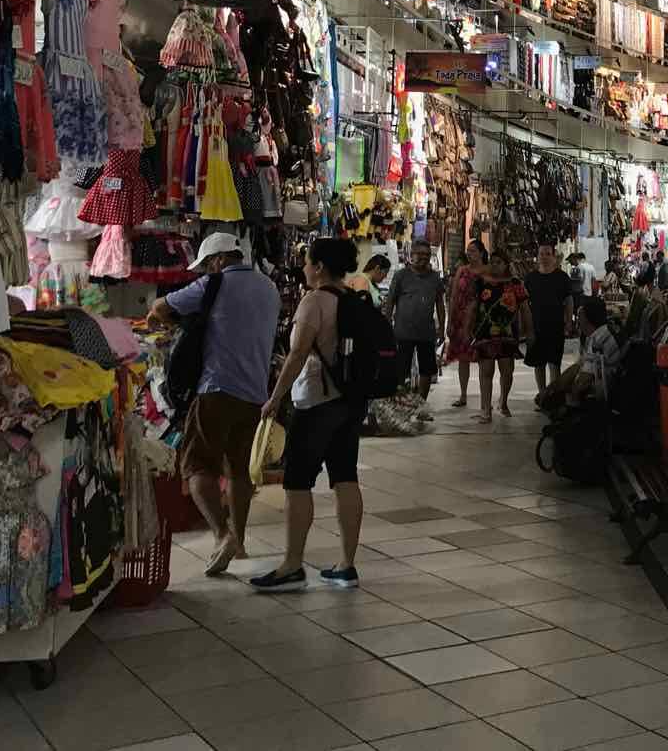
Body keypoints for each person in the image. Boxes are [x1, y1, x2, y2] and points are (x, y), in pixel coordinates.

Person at [146, 231, 280, 576]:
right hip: (255, 393)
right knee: (238, 469)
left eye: (206, 266)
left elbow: (160, 308)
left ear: (218, 260)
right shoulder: (269, 288)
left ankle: (222, 535)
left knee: (195, 466)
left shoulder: (213, 284)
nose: (205, 272)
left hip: (215, 388)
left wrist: (173, 323)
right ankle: (240, 539)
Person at [251, 239, 367, 592]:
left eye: (306, 262)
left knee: (297, 482)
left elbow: (298, 354)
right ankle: (347, 564)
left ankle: (291, 566)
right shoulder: (352, 300)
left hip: (316, 403)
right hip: (350, 401)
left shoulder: (314, 301)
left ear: (318, 267)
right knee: (345, 477)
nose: (303, 267)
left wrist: (274, 398)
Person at [382, 238, 445, 420]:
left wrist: (442, 327)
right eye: (420, 254)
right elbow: (390, 301)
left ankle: (421, 407)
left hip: (426, 332)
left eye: (427, 255)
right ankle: (399, 407)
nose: (424, 258)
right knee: (401, 370)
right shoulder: (401, 275)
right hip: (403, 331)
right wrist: (387, 326)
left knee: (427, 370)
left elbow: (440, 303)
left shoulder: (434, 277)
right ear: (411, 255)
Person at [466, 249, 528, 423]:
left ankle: (503, 401)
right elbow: (472, 306)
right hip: (484, 331)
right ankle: (485, 409)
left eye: (498, 262)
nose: (494, 265)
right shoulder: (480, 282)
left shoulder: (515, 283)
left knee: (507, 371)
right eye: (492, 262)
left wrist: (528, 330)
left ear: (506, 265)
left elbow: (525, 308)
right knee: (486, 370)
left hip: (508, 333)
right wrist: (468, 327)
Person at [524, 243, 576, 408]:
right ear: (537, 256)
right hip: (536, 326)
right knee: (538, 364)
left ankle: (553, 397)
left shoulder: (562, 278)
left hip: (555, 326)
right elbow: (524, 304)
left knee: (554, 363)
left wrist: (569, 322)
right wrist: (526, 327)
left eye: (547, 254)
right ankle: (542, 395)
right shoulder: (530, 278)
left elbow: (569, 301)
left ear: (554, 257)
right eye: (541, 254)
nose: (544, 257)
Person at [445, 239, 488, 409]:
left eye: (473, 251)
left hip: (481, 318)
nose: (470, 254)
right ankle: (463, 395)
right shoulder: (462, 271)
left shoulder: (488, 271)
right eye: (468, 251)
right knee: (463, 358)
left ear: (481, 253)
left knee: (484, 359)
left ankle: (486, 398)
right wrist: (450, 320)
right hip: (461, 318)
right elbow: (454, 295)